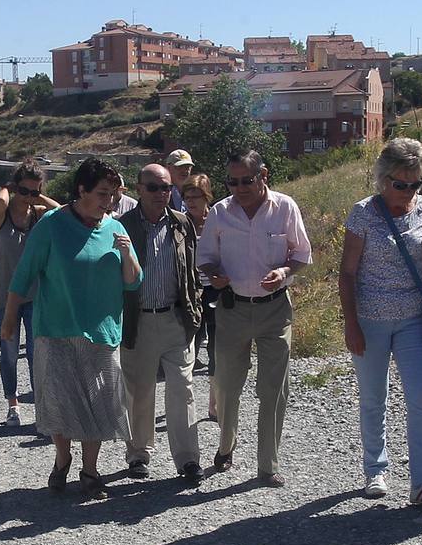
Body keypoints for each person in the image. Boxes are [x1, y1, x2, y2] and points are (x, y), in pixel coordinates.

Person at [0, 158, 141, 500]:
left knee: (99, 403)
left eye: (114, 193)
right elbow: (24, 274)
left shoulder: (115, 228)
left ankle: (90, 472)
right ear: (82, 190)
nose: (109, 201)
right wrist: (8, 318)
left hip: (102, 333)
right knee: (60, 402)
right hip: (56, 329)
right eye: (102, 193)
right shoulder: (51, 224)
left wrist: (127, 256)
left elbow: (135, 282)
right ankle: (62, 458)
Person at [339, 139, 422, 508]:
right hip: (370, 320)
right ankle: (375, 469)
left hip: (413, 320)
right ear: (382, 179)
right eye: (400, 184)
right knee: (374, 398)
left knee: (421, 399)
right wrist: (351, 324)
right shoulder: (362, 214)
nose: (408, 192)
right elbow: (347, 273)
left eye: (415, 184)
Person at [197, 149, 313, 487]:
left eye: (246, 180)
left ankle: (267, 465)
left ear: (263, 174)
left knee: (273, 389)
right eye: (232, 182)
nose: (239, 188)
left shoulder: (285, 207)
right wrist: (214, 274)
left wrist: (284, 270)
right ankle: (226, 445)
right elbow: (205, 258)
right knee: (228, 385)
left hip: (275, 309)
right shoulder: (220, 212)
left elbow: (302, 254)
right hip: (232, 308)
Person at [117, 163, 203, 482]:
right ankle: (139, 454)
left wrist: (194, 311)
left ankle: (187, 459)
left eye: (166, 188)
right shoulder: (122, 226)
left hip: (175, 319)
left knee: (183, 390)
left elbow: (191, 270)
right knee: (140, 391)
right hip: (138, 322)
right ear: (139, 189)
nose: (160, 193)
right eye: (153, 187)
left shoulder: (182, 224)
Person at [0, 161, 53, 427]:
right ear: (14, 188)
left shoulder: (37, 214)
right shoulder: (0, 218)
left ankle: (41, 405)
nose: (28, 197)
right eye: (23, 191)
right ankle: (13, 405)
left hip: (35, 296)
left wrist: (37, 197)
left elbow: (61, 212)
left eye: (34, 192)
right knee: (10, 353)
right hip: (4, 298)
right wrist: (7, 187)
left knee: (38, 353)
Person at [180, 173, 217, 413]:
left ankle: (214, 403)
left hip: (215, 291)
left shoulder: (219, 219)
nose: (191, 202)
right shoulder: (179, 222)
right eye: (187, 197)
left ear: (207, 197)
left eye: (196, 197)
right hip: (189, 292)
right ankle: (186, 402)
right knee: (187, 347)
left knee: (216, 347)